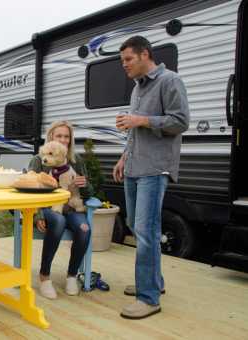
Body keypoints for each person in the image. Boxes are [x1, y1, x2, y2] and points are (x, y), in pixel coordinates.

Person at [113, 36, 189, 319]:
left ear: (145, 55)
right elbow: (134, 132)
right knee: (136, 226)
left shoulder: (170, 81)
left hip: (155, 169)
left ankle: (149, 298)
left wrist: (142, 120)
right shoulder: (137, 90)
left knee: (146, 232)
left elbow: (181, 121)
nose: (124, 66)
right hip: (135, 167)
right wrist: (123, 157)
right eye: (122, 61)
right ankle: (154, 282)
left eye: (128, 59)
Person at [29, 120, 90, 299]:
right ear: (51, 137)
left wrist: (85, 184)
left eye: (66, 136)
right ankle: (45, 276)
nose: (63, 140)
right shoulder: (39, 159)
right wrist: (38, 214)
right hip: (48, 207)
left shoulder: (76, 160)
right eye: (59, 136)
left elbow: (88, 191)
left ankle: (72, 275)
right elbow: (31, 188)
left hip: (72, 207)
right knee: (58, 220)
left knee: (84, 229)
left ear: (70, 140)